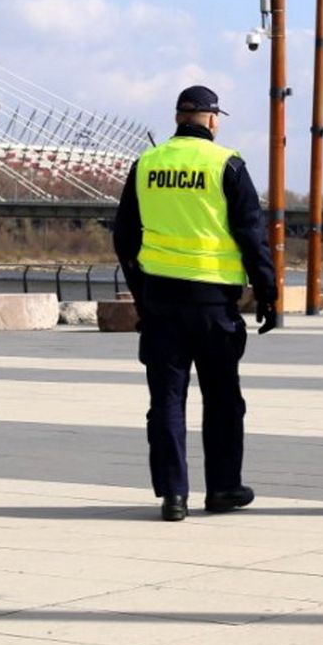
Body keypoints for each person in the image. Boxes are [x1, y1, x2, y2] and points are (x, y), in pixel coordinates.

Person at [114, 85, 278, 522]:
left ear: (177, 118)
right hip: (213, 304)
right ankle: (223, 488)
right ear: (211, 119)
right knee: (223, 398)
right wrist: (267, 292)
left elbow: (124, 237)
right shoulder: (226, 164)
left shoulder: (146, 164)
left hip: (162, 301)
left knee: (167, 399)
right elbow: (250, 234)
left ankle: (173, 494)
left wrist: (142, 292)